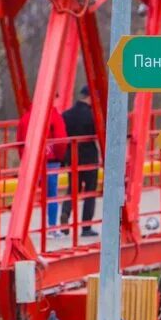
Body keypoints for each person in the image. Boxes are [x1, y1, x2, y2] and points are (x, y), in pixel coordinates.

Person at [16, 95, 68, 238]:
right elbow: (60, 139)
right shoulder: (54, 116)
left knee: (28, 196)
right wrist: (60, 156)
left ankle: (20, 231)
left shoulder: (26, 118)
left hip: (32, 161)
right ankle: (52, 228)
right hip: (50, 160)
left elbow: (20, 141)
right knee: (51, 195)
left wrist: (25, 160)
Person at [60, 86, 99, 237]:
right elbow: (99, 133)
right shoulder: (91, 115)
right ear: (90, 97)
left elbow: (63, 136)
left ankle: (65, 213)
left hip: (73, 157)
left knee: (73, 189)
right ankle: (86, 227)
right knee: (89, 191)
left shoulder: (67, 114)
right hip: (89, 156)